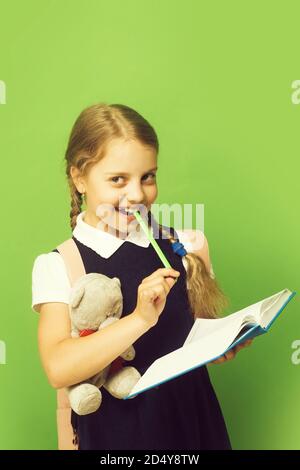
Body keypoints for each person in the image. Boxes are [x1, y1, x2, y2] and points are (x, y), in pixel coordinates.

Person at [31, 102, 252, 450]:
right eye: (118, 179)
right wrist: (139, 319)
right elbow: (59, 367)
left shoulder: (186, 245)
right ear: (79, 178)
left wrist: (223, 343)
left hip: (193, 423)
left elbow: (194, 333)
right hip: (115, 436)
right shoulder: (60, 264)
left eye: (148, 176)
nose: (137, 194)